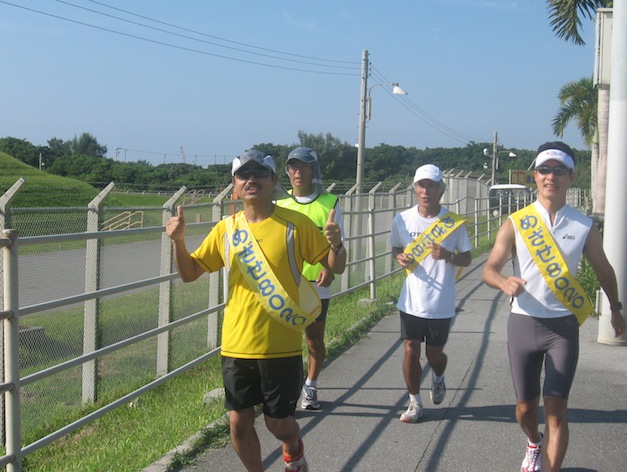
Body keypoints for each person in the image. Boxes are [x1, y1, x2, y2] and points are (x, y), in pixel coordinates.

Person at [165, 149, 346, 472]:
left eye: (259, 174)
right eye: (243, 175)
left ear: (274, 181)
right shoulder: (226, 229)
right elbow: (190, 273)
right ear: (234, 186)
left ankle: (293, 447)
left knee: (278, 424)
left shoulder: (296, 224)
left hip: (281, 345)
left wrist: (336, 245)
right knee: (238, 423)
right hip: (236, 344)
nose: (251, 181)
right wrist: (179, 242)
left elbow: (336, 267)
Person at [482, 141, 626, 472]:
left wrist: (616, 309)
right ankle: (534, 441)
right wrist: (504, 282)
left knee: (557, 407)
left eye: (559, 170)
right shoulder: (517, 222)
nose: (551, 177)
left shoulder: (583, 225)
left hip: (562, 327)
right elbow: (489, 268)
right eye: (544, 169)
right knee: (524, 408)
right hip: (523, 324)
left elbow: (604, 270)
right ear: (535, 176)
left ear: (571, 177)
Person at [390, 164, 472, 423]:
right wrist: (399, 257)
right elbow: (395, 248)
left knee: (434, 356)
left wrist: (448, 255)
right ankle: (414, 403)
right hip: (411, 300)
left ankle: (438, 377)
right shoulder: (402, 219)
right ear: (415, 188)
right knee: (410, 350)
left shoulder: (453, 223)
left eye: (432, 185)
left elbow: (467, 258)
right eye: (421, 185)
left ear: (441, 190)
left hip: (440, 302)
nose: (426, 191)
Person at [277, 146, 345, 410]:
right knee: (286, 341)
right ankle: (287, 389)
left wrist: (328, 269)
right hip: (286, 285)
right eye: (293, 167)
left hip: (317, 285)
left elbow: (338, 244)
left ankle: (311, 386)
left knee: (313, 339)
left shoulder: (330, 203)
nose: (297, 172)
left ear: (313, 170)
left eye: (304, 166)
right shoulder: (280, 204)